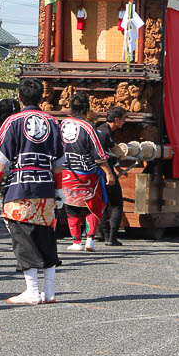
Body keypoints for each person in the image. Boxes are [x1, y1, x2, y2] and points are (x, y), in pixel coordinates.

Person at [0, 78, 64, 305]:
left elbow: (1, 158)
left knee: (22, 237)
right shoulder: (52, 122)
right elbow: (58, 161)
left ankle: (31, 291)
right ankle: (49, 291)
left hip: (20, 187)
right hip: (47, 186)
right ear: (41, 98)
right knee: (46, 236)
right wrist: (60, 190)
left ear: (20, 98)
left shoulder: (13, 121)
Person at [61, 92, 114, 253]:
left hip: (65, 172)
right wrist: (109, 173)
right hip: (87, 173)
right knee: (93, 205)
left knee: (71, 207)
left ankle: (76, 241)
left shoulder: (61, 124)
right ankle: (90, 239)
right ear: (87, 108)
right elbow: (98, 153)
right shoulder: (88, 127)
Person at [95, 106, 126, 246]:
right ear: (116, 120)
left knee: (103, 203)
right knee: (117, 203)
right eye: (123, 119)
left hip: (96, 171)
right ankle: (112, 237)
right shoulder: (105, 133)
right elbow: (112, 151)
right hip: (104, 170)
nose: (124, 122)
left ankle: (103, 234)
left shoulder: (100, 128)